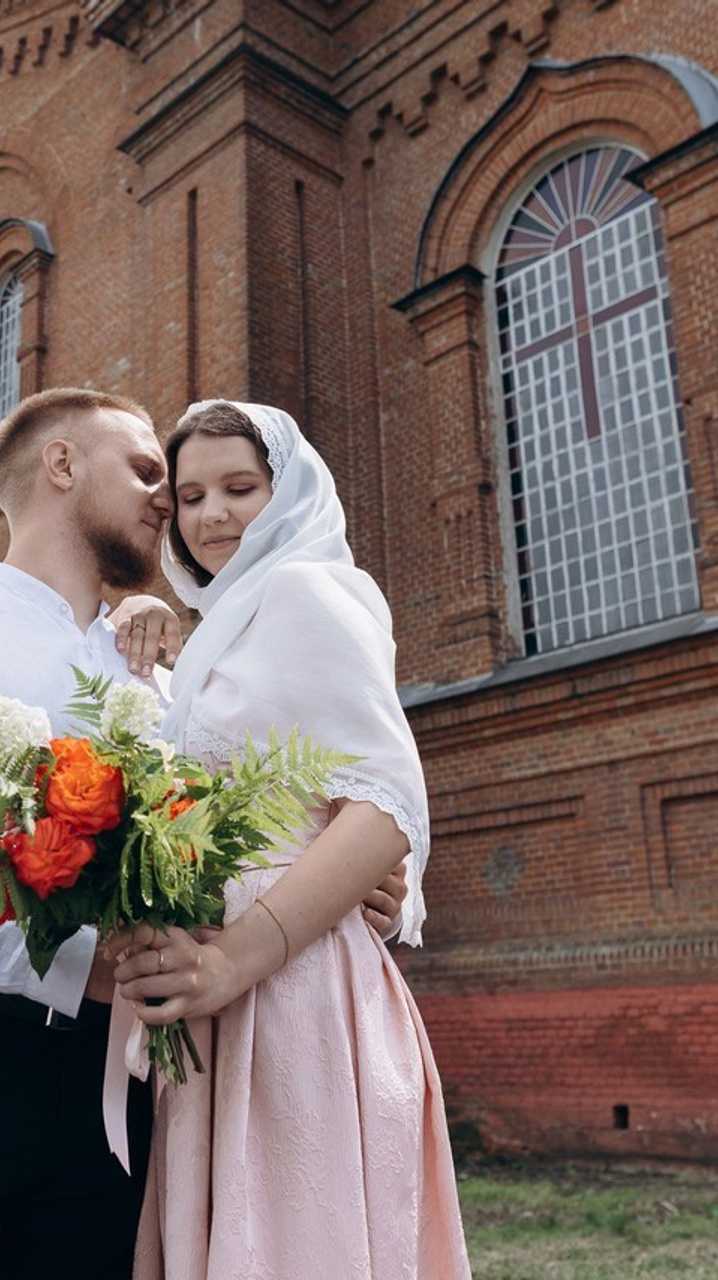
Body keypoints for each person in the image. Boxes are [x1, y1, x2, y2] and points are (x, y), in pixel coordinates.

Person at [0, 387, 410, 1280]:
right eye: (150, 473)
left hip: (120, 1082)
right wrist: (75, 967)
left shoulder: (170, 688)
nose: (170, 501)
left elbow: (279, 823)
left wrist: (349, 880)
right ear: (62, 466)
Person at [110, 400, 471, 1278]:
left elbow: (385, 801)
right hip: (217, 999)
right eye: (190, 497)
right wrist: (134, 630)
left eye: (241, 487)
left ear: (293, 492)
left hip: (290, 989)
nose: (212, 515)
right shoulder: (222, 632)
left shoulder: (310, 588)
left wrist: (235, 957)